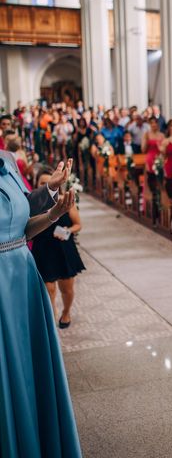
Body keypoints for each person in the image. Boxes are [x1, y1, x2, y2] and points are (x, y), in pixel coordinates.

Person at [0, 154, 82, 457]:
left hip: (23, 275)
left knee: (29, 369)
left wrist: (53, 207)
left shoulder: (7, 160)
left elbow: (21, 224)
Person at [31, 167, 85, 328]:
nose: (47, 186)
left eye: (50, 182)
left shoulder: (65, 200)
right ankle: (52, 319)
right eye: (42, 183)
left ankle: (66, 312)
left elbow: (78, 225)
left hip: (63, 249)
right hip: (43, 250)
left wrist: (67, 231)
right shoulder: (33, 203)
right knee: (48, 289)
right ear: (37, 184)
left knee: (66, 289)